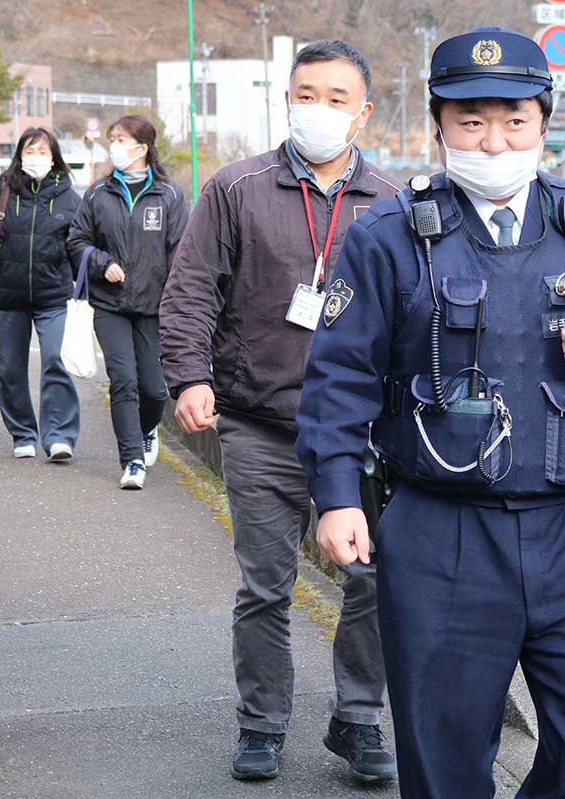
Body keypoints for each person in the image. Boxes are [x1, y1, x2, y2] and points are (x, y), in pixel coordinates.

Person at [295, 27, 565, 798]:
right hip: (442, 532)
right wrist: (339, 494)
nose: (494, 139)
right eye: (470, 120)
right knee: (444, 761)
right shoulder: (389, 236)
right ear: (439, 125)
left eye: (513, 118)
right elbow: (338, 376)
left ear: (544, 120)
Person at [159, 40, 400, 784]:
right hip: (261, 422)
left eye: (336, 97)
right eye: (305, 94)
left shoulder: (392, 203)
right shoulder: (239, 187)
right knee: (266, 582)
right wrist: (189, 376)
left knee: (371, 580)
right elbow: (191, 288)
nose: (318, 109)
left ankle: (357, 717)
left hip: (361, 435)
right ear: (286, 100)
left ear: (362, 113)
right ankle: (261, 722)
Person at [67, 115, 188, 489]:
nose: (114, 146)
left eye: (121, 140)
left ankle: (147, 429)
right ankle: (132, 459)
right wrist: (103, 264)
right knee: (123, 381)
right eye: (112, 140)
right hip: (110, 305)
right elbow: (76, 241)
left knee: (154, 389)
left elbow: (182, 253)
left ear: (142, 147)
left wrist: (177, 302)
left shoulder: (169, 196)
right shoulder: (98, 194)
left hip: (154, 306)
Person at [0, 127, 82, 461]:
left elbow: (81, 244)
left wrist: (84, 289)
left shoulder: (68, 196)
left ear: (55, 157)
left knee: (57, 362)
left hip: (55, 296)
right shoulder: (1, 191)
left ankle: (59, 435)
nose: (36, 158)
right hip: (6, 296)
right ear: (19, 155)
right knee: (10, 368)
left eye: (43, 151)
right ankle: (23, 432)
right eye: (30, 151)